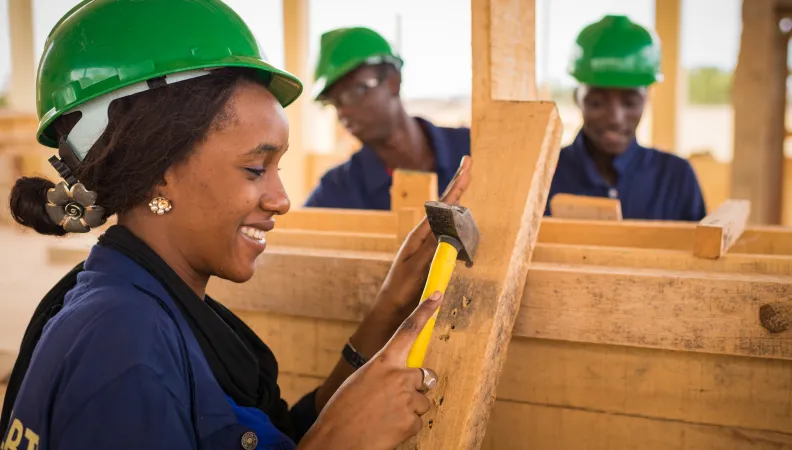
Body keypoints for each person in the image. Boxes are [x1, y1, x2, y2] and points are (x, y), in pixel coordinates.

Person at [0, 1, 473, 449]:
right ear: (161, 171)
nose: (282, 200)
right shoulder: (120, 346)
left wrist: (390, 305)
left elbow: (275, 433)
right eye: (254, 169)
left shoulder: (146, 303)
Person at [545, 15, 707, 221]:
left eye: (630, 103)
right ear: (577, 97)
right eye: (597, 102)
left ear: (647, 99)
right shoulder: (545, 176)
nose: (615, 118)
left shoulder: (676, 178)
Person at [304, 26, 470, 210]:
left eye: (353, 92)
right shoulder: (338, 189)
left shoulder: (472, 147)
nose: (342, 112)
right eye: (334, 103)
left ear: (393, 81)